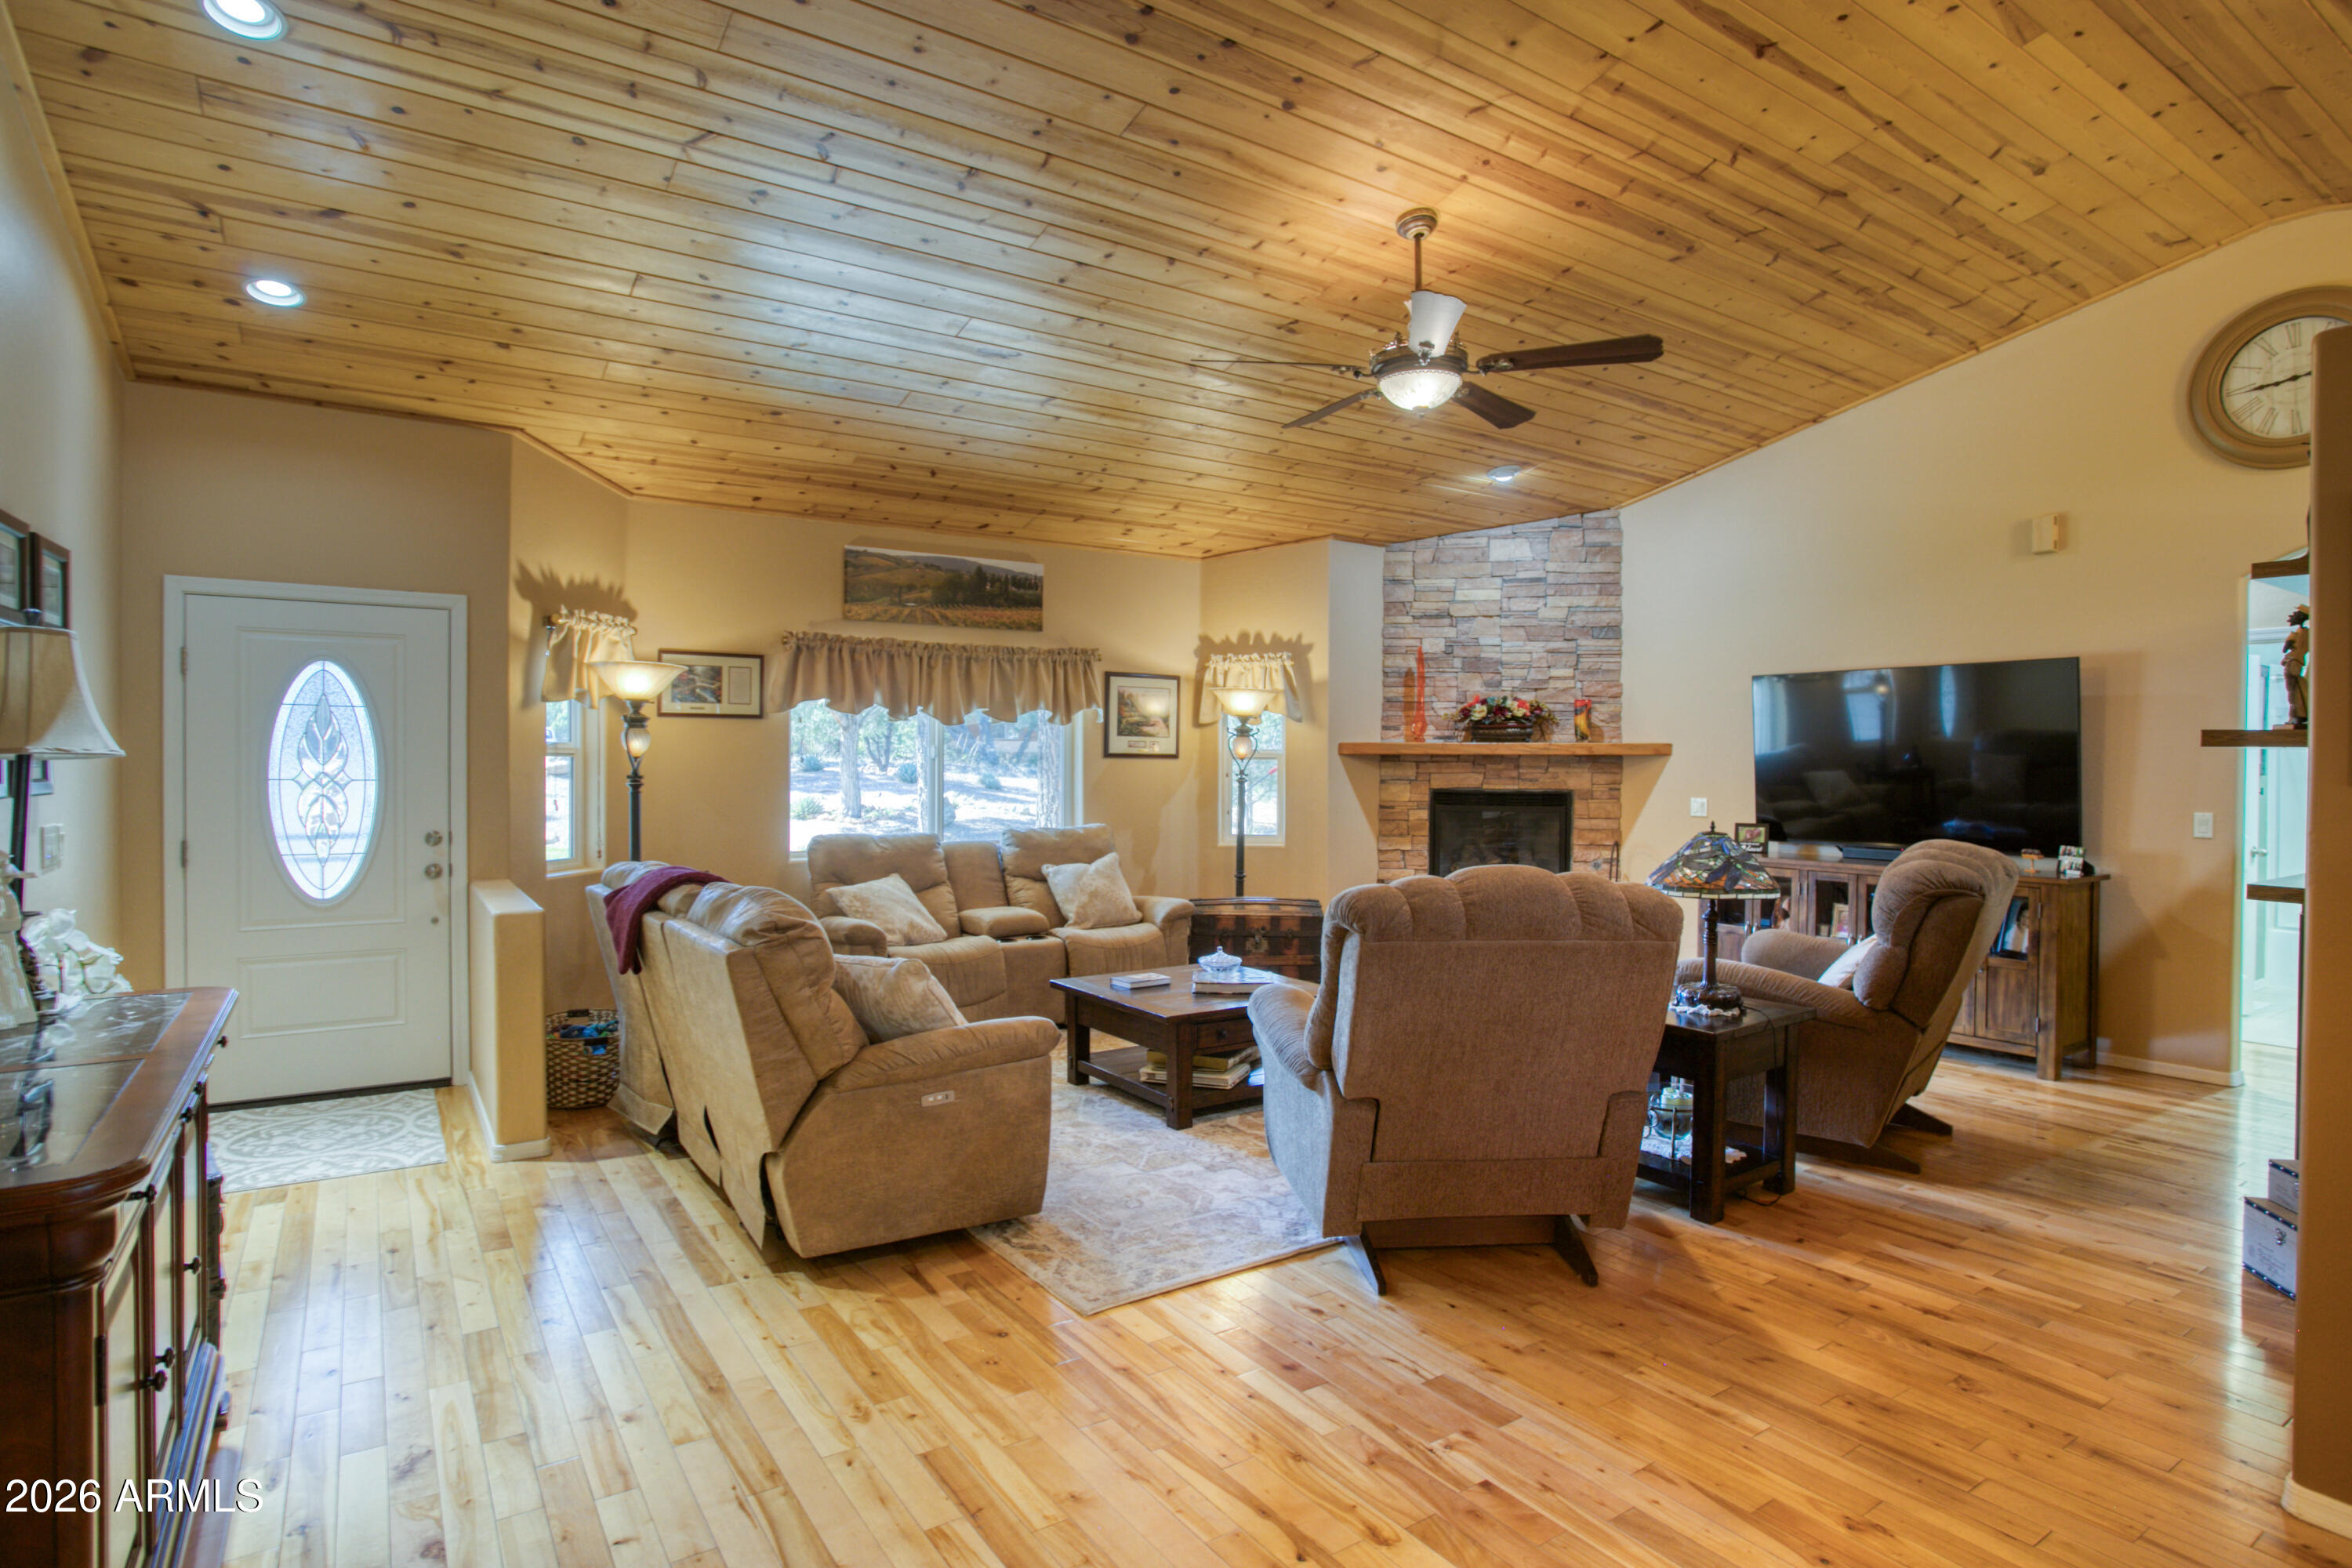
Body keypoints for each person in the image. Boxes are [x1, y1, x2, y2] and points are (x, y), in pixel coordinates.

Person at [2282, 605, 2311, 730]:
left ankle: (2300, 715)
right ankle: (2297, 715)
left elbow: (2299, 649)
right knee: (2293, 691)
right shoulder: (2301, 632)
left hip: (2295, 662)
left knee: (2296, 689)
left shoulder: (2305, 633)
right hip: (2292, 661)